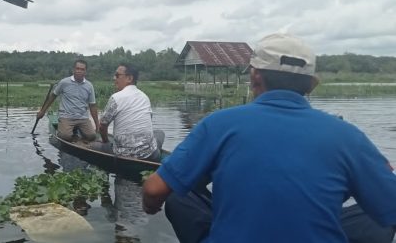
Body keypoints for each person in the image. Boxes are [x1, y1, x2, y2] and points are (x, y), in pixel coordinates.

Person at [142, 33, 396, 243]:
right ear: (313, 84)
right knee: (371, 211)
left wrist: (151, 206)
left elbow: (153, 189)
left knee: (179, 195)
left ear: (254, 76)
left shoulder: (219, 124)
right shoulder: (347, 135)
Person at [91, 64, 164, 161]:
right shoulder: (145, 97)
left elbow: (102, 126)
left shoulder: (116, 98)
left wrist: (105, 141)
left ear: (129, 78)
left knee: (94, 146)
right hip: (151, 156)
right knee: (160, 133)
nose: (114, 78)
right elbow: (149, 120)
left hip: (123, 156)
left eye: (117, 75)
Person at [36, 59, 99, 142]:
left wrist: (97, 125)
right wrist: (43, 111)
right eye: (77, 68)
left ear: (85, 72)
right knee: (65, 136)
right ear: (73, 70)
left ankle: (77, 134)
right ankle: (68, 132)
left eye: (82, 69)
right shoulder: (64, 82)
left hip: (82, 117)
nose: (79, 71)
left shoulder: (89, 86)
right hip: (66, 116)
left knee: (92, 136)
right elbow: (53, 96)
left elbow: (92, 106)